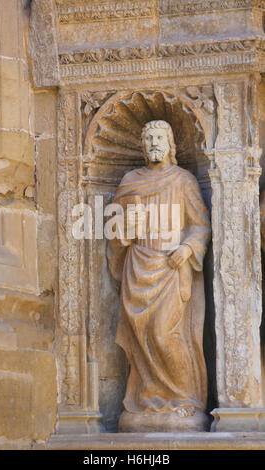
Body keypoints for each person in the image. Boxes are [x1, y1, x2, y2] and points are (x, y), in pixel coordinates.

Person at [107, 120, 211, 431]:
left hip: (171, 267)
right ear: (141, 145)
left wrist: (189, 248)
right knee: (142, 338)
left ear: (170, 144)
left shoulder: (183, 180)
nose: (154, 142)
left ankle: (185, 400)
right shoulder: (130, 181)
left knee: (167, 334)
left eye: (159, 137)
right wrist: (127, 228)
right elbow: (115, 229)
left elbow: (200, 225)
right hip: (138, 267)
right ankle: (144, 401)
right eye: (148, 137)